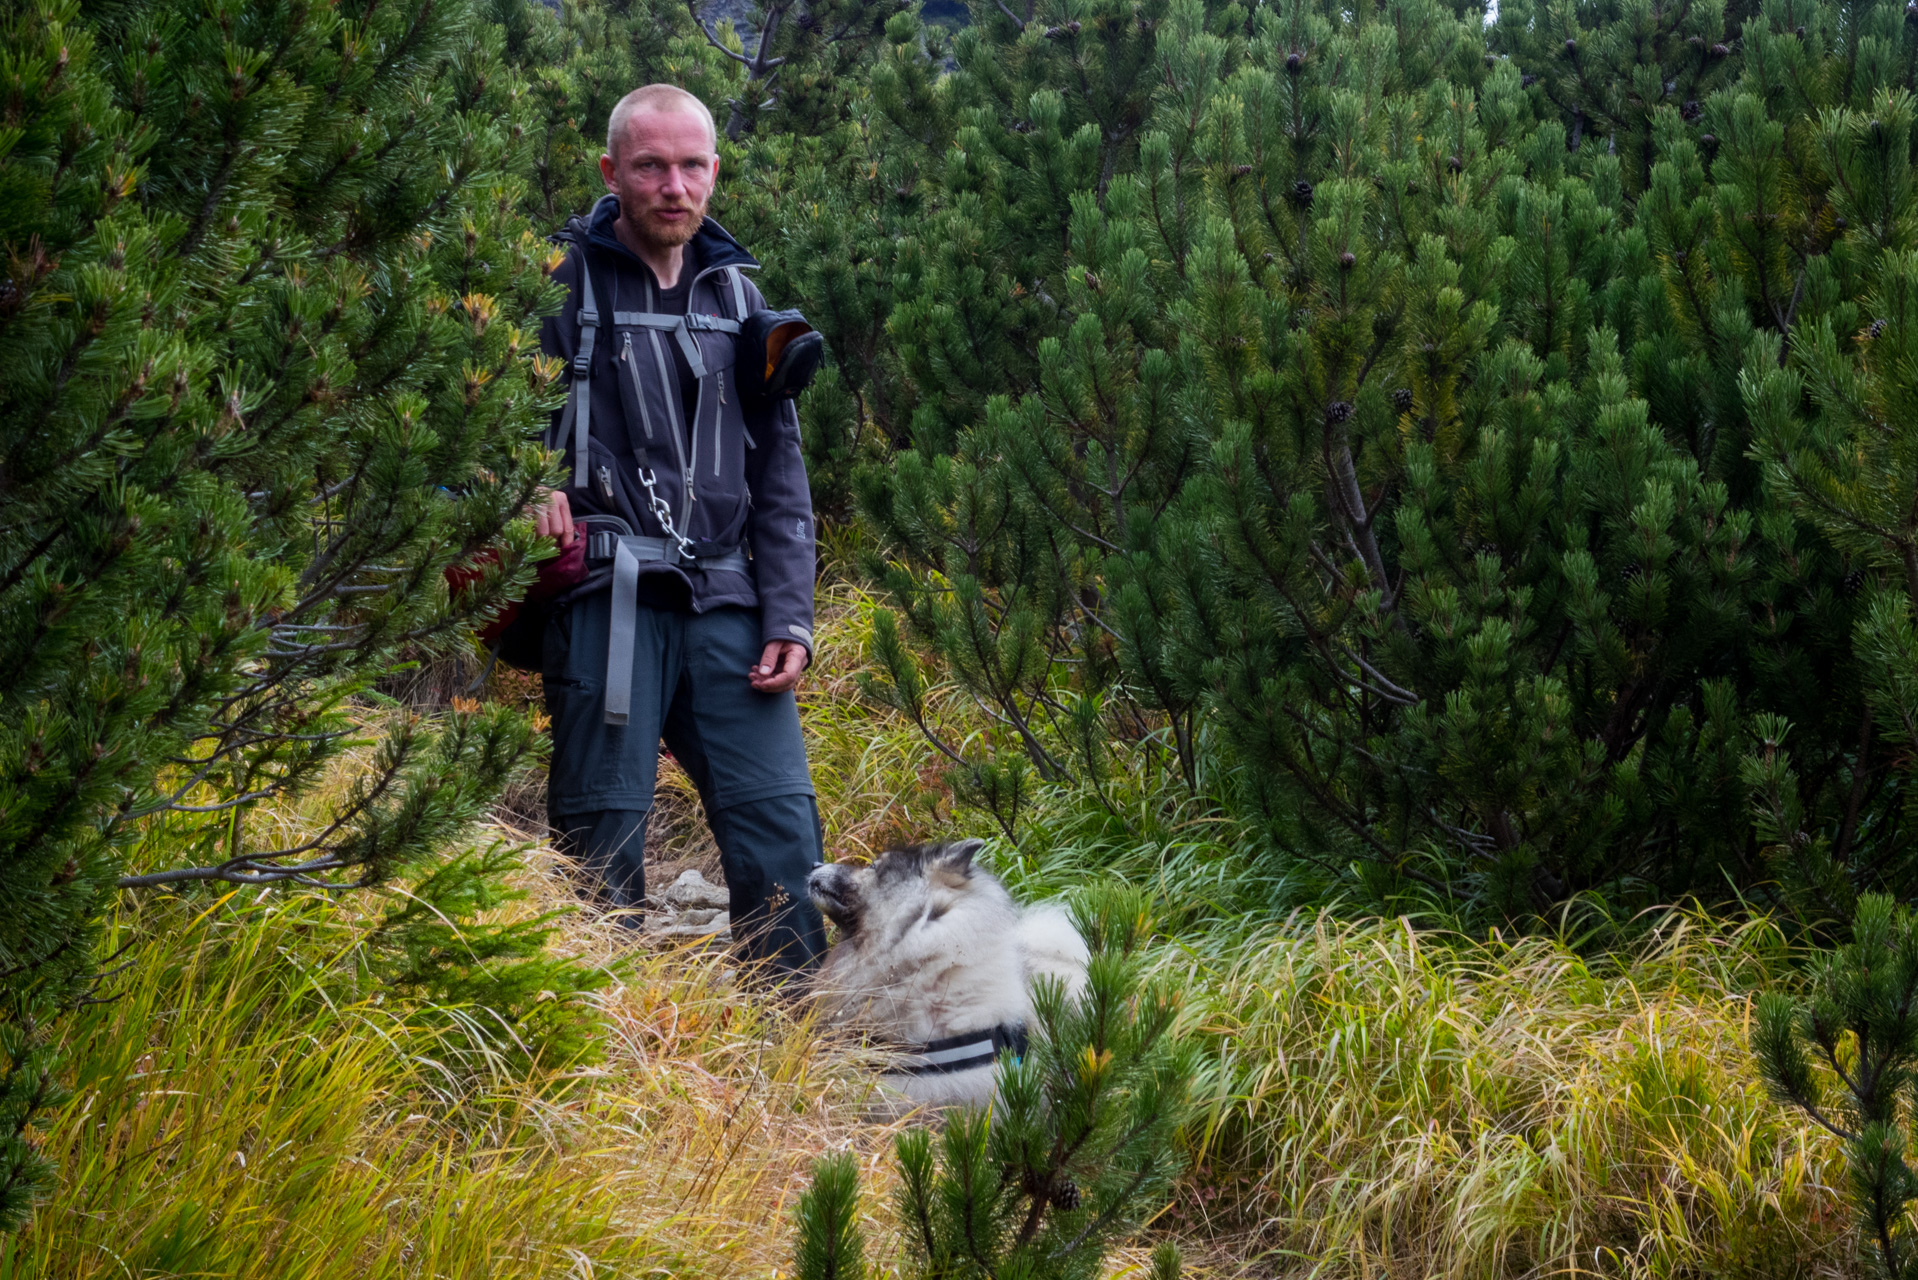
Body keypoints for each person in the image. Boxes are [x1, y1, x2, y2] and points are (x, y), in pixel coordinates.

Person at [529, 83, 825, 970]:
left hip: (729, 598)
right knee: (599, 833)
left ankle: (791, 1051)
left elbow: (781, 475)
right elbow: (472, 410)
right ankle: (599, 1044)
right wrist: (515, 481)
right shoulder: (556, 285)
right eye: (652, 165)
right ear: (612, 171)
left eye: (692, 165)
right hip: (606, 597)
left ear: (714, 173)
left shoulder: (743, 301)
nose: (674, 185)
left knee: (781, 829)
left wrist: (790, 618)